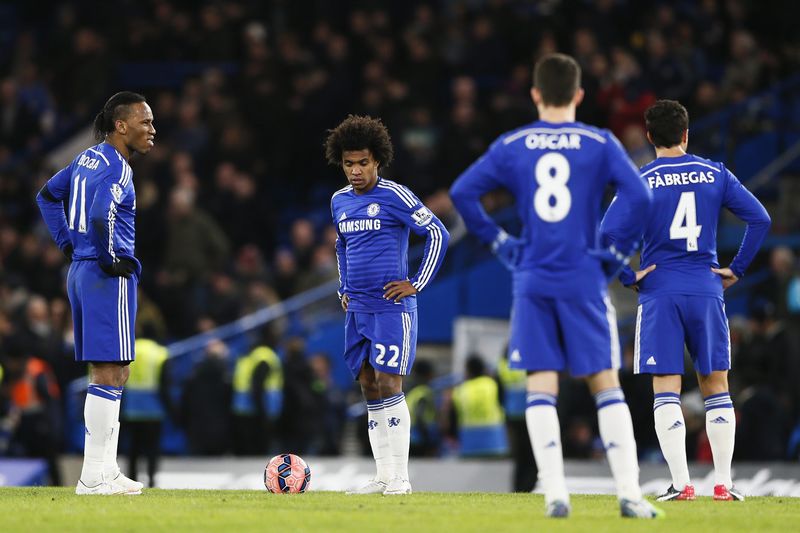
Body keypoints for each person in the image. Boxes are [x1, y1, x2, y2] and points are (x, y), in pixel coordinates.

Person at [449, 53, 660, 518]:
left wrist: (500, 242)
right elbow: (641, 195)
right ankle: (629, 494)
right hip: (583, 275)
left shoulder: (513, 143)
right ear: (580, 95)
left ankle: (556, 494)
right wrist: (616, 251)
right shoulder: (599, 142)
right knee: (605, 384)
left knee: (540, 385)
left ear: (536, 94)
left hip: (533, 276)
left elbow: (463, 192)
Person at [600, 99, 771, 502]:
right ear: (686, 134)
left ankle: (681, 484)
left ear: (648, 137)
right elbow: (760, 218)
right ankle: (725, 484)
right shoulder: (715, 173)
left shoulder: (640, 179)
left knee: (666, 388)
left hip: (660, 291)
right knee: (717, 386)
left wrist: (628, 275)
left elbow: (604, 237)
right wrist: (737, 268)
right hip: (706, 288)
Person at [36, 91, 155, 495]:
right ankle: (93, 475)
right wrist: (107, 258)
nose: (152, 130)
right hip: (106, 276)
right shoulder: (119, 169)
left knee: (113, 368)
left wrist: (69, 246)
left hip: (81, 271)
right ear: (121, 125)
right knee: (109, 370)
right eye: (145, 122)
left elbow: (47, 196)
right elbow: (99, 214)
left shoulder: (86, 158)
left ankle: (105, 469)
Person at [326, 115, 450, 495]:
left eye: (363, 162)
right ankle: (382, 474)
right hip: (358, 309)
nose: (356, 171)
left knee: (389, 381)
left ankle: (401, 477)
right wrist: (343, 288)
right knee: (367, 383)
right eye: (349, 164)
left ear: (377, 160)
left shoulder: (395, 196)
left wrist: (416, 284)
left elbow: (437, 233)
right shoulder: (339, 201)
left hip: (391, 308)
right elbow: (341, 246)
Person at [121, 335, 170, 487]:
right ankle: (151, 481)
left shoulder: (128, 349)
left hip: (132, 409)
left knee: (133, 450)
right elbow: (165, 385)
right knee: (152, 450)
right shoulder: (159, 353)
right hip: (153, 410)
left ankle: (131, 480)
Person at [451, 355, 508, 457]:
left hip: (469, 444)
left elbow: (453, 418)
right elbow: (504, 405)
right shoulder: (492, 385)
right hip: (494, 442)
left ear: (467, 370)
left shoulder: (459, 391)